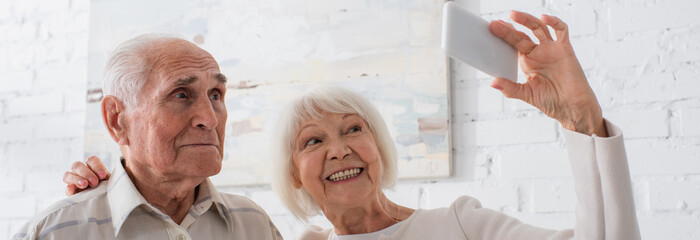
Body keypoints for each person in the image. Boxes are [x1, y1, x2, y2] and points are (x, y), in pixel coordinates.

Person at [62, 11, 641, 239]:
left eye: (353, 129)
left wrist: (581, 119)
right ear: (295, 174)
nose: (339, 150)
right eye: (313, 141)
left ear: (379, 145)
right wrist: (110, 186)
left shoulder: (462, 224)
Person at [13, 34, 283, 240]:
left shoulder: (255, 225)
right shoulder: (56, 232)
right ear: (116, 119)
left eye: (215, 95)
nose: (210, 119)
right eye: (181, 95)